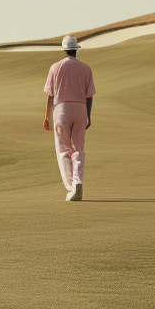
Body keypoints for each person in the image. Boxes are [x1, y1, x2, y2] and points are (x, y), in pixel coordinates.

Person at [42, 35, 96, 201]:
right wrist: (88, 115)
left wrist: (47, 117)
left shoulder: (55, 67)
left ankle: (71, 187)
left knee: (64, 150)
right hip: (80, 109)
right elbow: (90, 96)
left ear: (65, 49)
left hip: (61, 110)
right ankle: (78, 181)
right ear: (76, 49)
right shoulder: (86, 68)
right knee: (78, 149)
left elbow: (50, 95)